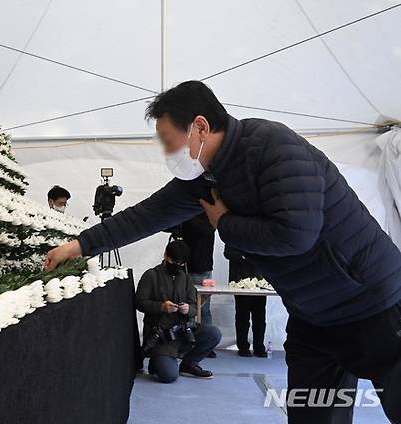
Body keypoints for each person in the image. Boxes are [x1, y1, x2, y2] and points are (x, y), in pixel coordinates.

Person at [44, 80, 401, 423]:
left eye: (170, 142)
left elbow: (296, 235)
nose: (169, 153)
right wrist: (79, 245)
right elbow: (147, 215)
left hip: (373, 303)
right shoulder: (205, 178)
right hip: (312, 317)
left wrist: (224, 223)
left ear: (200, 126)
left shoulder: (274, 147)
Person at [136, 241, 221, 383]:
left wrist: (189, 309)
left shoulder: (185, 278)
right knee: (169, 376)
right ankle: (157, 362)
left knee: (213, 333)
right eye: (174, 261)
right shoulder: (151, 276)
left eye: (181, 264)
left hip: (183, 331)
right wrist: (162, 307)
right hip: (161, 337)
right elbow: (139, 302)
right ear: (165, 256)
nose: (178, 266)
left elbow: (194, 306)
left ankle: (189, 364)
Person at [224, 245, 267, 358]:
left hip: (259, 281)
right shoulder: (234, 233)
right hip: (240, 281)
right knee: (242, 316)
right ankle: (243, 347)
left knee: (260, 317)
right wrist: (245, 255)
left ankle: (259, 346)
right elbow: (228, 253)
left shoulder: (261, 234)